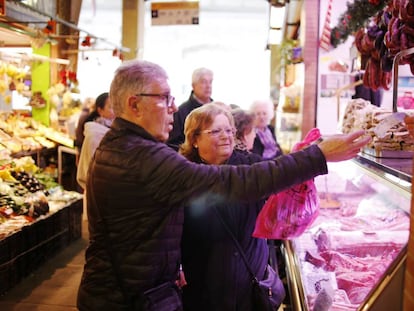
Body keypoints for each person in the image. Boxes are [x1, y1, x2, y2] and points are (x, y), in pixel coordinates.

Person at [76, 59, 370, 311]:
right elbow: (232, 183)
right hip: (128, 298)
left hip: (127, 289)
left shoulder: (124, 146)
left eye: (229, 130)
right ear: (134, 104)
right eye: (164, 98)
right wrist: (317, 155)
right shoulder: (141, 157)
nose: (173, 107)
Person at [180, 103, 284, 310]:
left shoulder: (250, 166)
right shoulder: (184, 175)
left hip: (248, 283)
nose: (226, 136)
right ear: (194, 139)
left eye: (229, 130)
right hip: (204, 286)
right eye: (216, 131)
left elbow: (280, 179)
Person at [76, 92, 114, 190]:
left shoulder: (116, 130)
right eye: (111, 107)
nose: (115, 112)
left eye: (117, 107)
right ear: (100, 110)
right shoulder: (95, 133)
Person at [167, 67, 213, 147]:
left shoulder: (218, 110)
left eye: (210, 82)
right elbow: (173, 144)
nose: (208, 86)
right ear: (193, 85)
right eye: (203, 82)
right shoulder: (181, 112)